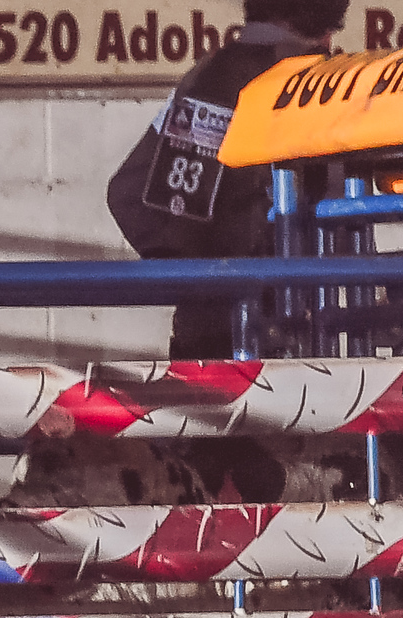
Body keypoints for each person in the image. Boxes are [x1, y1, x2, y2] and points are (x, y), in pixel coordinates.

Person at [106, 0, 349, 361]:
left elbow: (127, 194)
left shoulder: (211, 75)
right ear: (331, 21)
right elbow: (341, 218)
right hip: (299, 331)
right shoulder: (324, 83)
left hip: (207, 332)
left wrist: (196, 280)